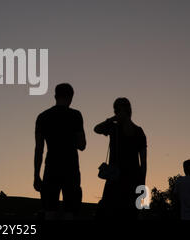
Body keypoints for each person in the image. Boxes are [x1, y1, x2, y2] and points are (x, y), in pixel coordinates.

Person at [34, 83, 86, 219]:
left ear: (55, 96)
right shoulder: (76, 116)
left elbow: (39, 149)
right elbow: (82, 145)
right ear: (71, 97)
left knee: (49, 211)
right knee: (70, 211)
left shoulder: (42, 117)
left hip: (51, 168)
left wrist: (36, 175)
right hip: (71, 168)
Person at [94, 97, 147, 219]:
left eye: (118, 110)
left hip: (129, 181)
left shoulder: (138, 132)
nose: (116, 113)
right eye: (115, 111)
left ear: (127, 110)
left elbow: (143, 163)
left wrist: (142, 186)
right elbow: (96, 129)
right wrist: (112, 119)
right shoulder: (114, 127)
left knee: (127, 215)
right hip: (115, 179)